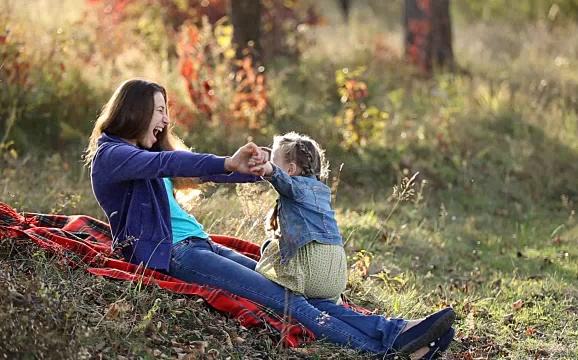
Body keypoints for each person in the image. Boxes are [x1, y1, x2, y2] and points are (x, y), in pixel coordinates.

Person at [85, 78, 456, 359]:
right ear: (135, 111)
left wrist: (256, 169)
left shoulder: (136, 151)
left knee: (296, 293)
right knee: (290, 304)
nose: (166, 120)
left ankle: (397, 332)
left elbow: (201, 170)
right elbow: (167, 163)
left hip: (198, 245)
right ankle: (386, 351)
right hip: (175, 256)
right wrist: (228, 161)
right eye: (160, 110)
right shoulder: (112, 154)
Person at [254, 132, 347, 304]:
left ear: (290, 170)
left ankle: (292, 292)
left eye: (274, 162)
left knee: (270, 248)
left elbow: (284, 181)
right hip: (336, 275)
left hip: (310, 271)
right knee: (274, 244)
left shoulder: (296, 187)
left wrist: (269, 170)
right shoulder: (321, 191)